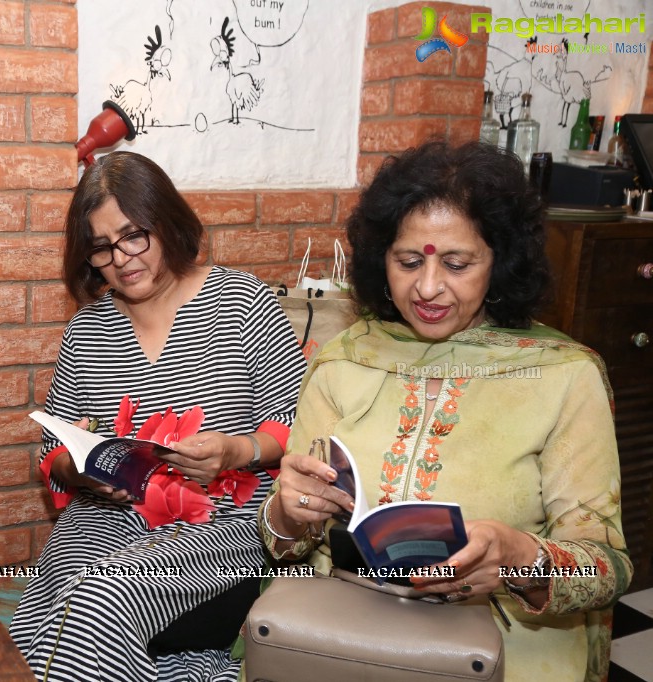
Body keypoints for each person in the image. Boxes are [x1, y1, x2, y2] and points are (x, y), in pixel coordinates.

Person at [260, 141, 631, 681]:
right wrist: (288, 514)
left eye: (457, 264)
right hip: (339, 637)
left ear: (499, 261)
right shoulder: (344, 361)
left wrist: (517, 560)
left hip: (497, 649)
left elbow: (610, 568)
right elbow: (279, 539)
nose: (428, 287)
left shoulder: (563, 377)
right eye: (408, 261)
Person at [9, 151, 306, 681]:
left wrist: (236, 452)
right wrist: (72, 469)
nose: (122, 258)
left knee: (99, 600)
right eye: (101, 247)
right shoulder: (88, 329)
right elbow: (51, 450)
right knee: (55, 600)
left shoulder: (242, 303)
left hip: (223, 526)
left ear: (167, 220)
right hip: (103, 517)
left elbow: (295, 424)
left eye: (134, 235)